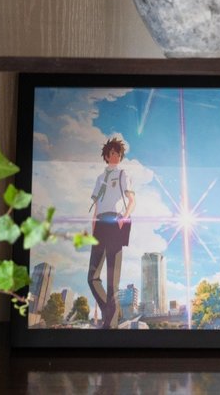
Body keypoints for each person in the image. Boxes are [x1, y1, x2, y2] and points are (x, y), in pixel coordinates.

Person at [87, 137, 136, 329]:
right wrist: (93, 226)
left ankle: (111, 324)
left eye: (118, 154)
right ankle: (111, 311)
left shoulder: (123, 174)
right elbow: (96, 206)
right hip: (100, 225)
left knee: (112, 281)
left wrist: (124, 217)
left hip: (116, 222)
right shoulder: (100, 178)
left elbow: (132, 200)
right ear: (106, 156)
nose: (116, 157)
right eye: (113, 153)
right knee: (92, 277)